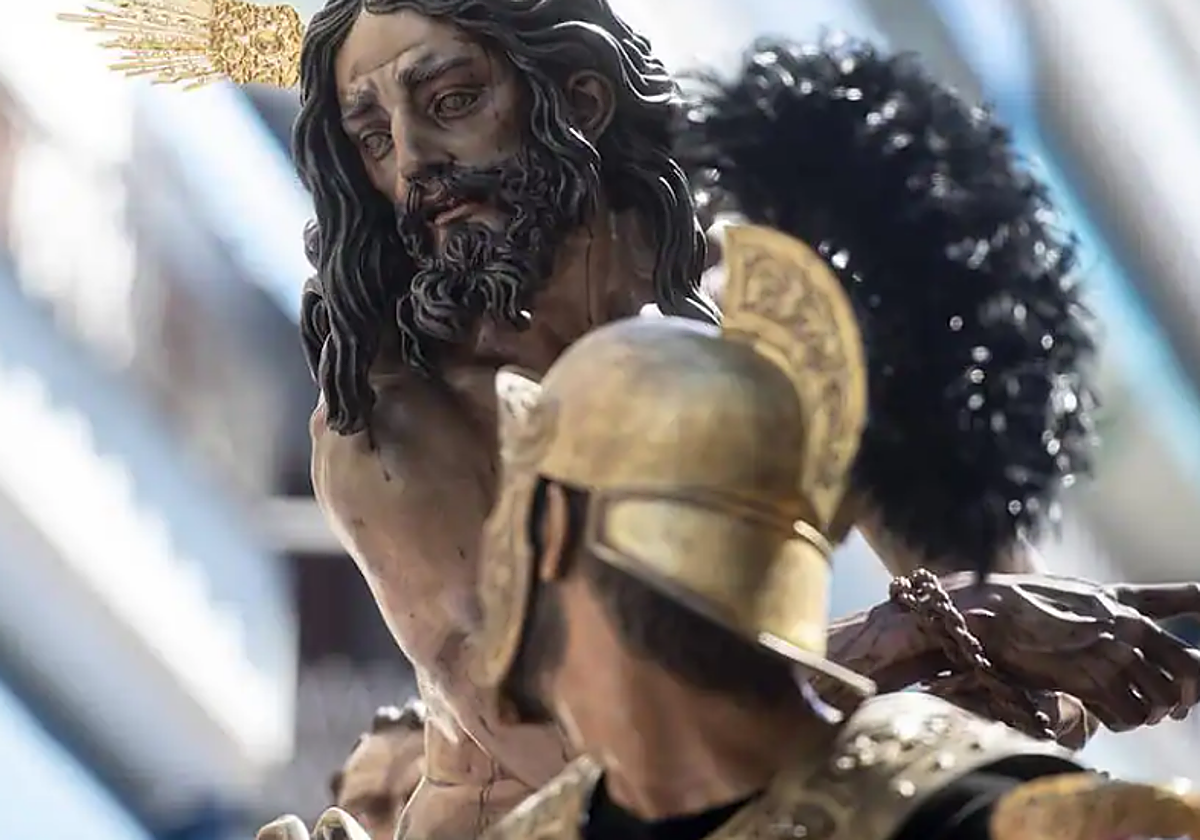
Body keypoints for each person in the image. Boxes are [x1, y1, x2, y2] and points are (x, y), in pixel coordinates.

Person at [61, 4, 1200, 836]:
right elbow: (603, 747)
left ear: (578, 98)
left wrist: (1045, 647)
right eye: (372, 138)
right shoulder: (388, 427)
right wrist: (930, 633)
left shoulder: (780, 311)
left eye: (449, 102)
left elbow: (1011, 643)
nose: (414, 166)